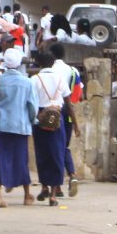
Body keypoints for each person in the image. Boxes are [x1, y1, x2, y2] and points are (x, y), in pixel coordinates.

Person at [0, 48, 38, 207]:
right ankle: (27, 195)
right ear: (20, 63)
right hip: (21, 126)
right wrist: (32, 121)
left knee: (0, 159)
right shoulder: (27, 82)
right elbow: (32, 106)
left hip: (2, 126)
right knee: (21, 160)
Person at [31, 51, 73, 205]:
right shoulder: (60, 78)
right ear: (53, 63)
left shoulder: (34, 79)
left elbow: (31, 102)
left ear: (39, 64)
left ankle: (44, 187)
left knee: (42, 155)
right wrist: (74, 122)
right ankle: (54, 195)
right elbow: (68, 102)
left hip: (40, 119)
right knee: (57, 155)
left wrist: (33, 119)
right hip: (57, 119)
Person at [49, 42, 82, 195]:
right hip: (68, 114)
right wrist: (75, 123)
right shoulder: (73, 71)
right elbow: (78, 94)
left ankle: (58, 185)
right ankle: (72, 175)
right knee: (64, 146)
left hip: (53, 112)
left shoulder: (49, 71)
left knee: (53, 149)